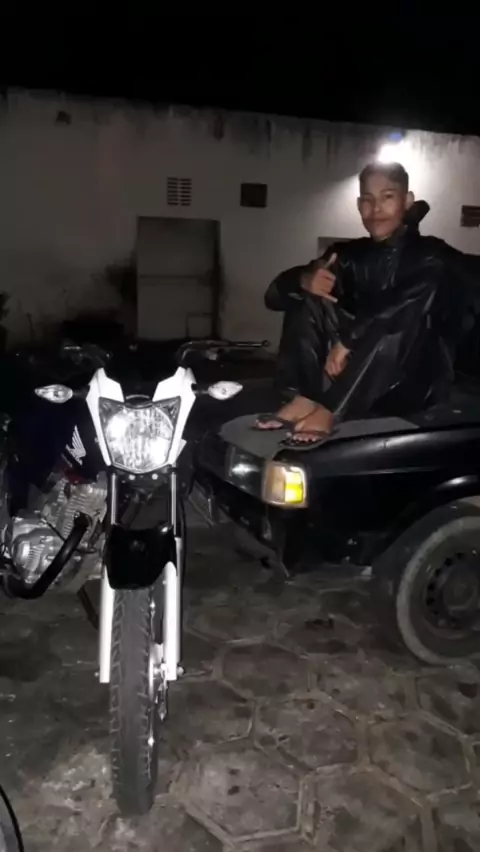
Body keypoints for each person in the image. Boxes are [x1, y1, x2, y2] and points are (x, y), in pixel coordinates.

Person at [256, 161, 473, 448]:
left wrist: (349, 340)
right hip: (351, 374)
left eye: (388, 197)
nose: (376, 209)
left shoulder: (432, 254)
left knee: (399, 318)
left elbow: (402, 305)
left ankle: (331, 410)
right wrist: (303, 280)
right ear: (359, 205)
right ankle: (304, 398)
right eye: (368, 200)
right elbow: (273, 298)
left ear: (407, 201)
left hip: (413, 382)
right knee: (313, 295)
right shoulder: (347, 255)